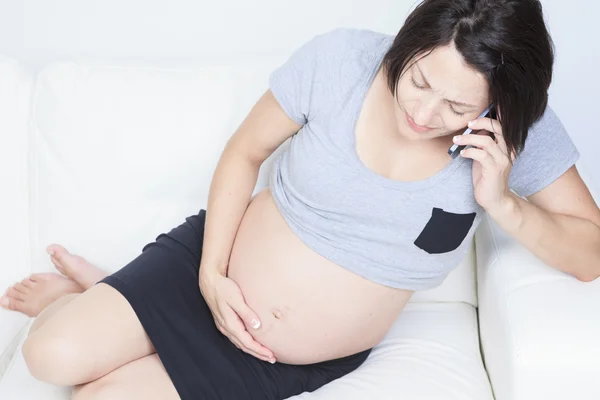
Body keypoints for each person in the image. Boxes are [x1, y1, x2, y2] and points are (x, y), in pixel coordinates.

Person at [3, 0, 600, 398]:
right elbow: (243, 153)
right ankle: (89, 301)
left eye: (456, 108)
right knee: (48, 357)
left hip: (274, 354)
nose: (421, 113)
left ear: (497, 107)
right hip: (209, 269)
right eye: (417, 81)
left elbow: (590, 251)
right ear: (409, 43)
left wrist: (504, 203)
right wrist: (212, 276)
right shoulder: (344, 61)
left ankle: (99, 297)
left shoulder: (525, 130)